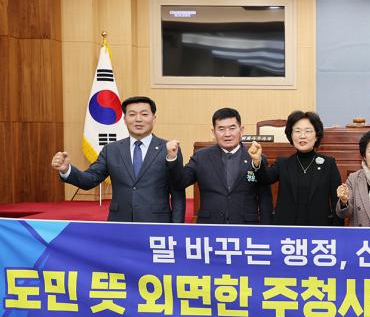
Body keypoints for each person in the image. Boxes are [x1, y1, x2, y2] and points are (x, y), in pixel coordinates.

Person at [50, 96, 185, 223]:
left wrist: (177, 228)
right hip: (119, 223)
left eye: (144, 114)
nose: (138, 119)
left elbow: (177, 193)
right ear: (124, 120)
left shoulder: (169, 149)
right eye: (132, 114)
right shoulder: (111, 150)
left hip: (157, 223)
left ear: (154, 118)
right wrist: (67, 170)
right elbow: (89, 180)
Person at [167, 107, 272, 225]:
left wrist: (266, 229)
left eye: (232, 128)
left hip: (245, 227)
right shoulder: (201, 157)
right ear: (213, 132)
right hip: (210, 226)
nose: (227, 134)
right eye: (221, 129)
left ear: (241, 130)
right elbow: (180, 182)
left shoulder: (256, 157)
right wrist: (172, 159)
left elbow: (265, 199)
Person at [248, 110, 343, 226]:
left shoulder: (328, 164)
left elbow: (337, 201)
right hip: (287, 230)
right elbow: (264, 178)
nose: (302, 136)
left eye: (308, 131)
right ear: (291, 135)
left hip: (319, 229)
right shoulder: (283, 163)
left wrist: (338, 231)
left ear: (316, 136)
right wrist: (257, 161)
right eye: (297, 131)